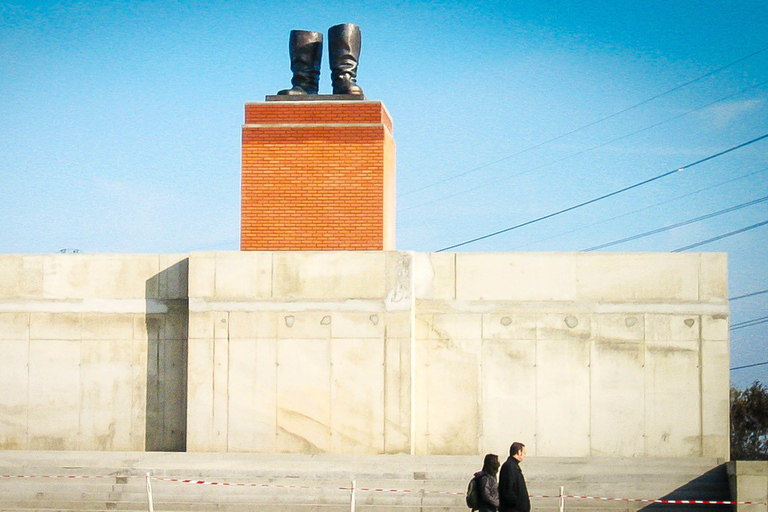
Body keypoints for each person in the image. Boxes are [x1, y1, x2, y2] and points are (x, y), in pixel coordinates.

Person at [498, 442, 530, 512]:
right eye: (524, 453)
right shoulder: (510, 466)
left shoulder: (513, 465)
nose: (525, 456)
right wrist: (518, 504)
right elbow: (509, 489)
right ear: (519, 452)